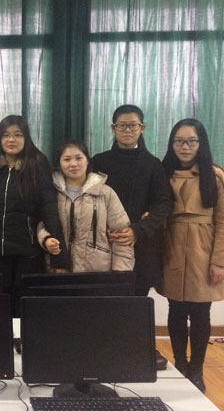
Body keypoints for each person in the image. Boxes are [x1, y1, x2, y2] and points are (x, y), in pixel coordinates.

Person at [92, 104, 173, 370]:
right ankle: (106, 350)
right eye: (122, 125)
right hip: (104, 242)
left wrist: (138, 230)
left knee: (137, 298)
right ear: (113, 128)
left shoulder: (153, 165)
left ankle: (140, 348)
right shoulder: (99, 162)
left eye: (133, 125)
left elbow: (163, 203)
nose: (127, 130)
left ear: (142, 128)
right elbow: (87, 196)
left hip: (142, 244)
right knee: (106, 299)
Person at [157, 118, 224, 393]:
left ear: (201, 143)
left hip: (202, 250)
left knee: (200, 312)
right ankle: (180, 364)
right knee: (176, 309)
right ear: (172, 144)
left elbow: (223, 221)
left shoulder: (214, 176)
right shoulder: (162, 174)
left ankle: (196, 369)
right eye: (179, 141)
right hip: (171, 246)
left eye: (191, 141)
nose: (185, 147)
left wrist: (219, 260)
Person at [0, 115, 69, 316]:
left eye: (17, 135)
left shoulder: (37, 164)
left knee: (25, 309)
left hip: (27, 254)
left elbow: (49, 209)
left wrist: (60, 257)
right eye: (6, 135)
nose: (11, 140)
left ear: (26, 138)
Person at [37, 139, 134, 273]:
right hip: (59, 270)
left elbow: (121, 236)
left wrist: (121, 273)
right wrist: (45, 239)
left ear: (87, 160)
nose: (73, 164)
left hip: (98, 272)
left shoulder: (105, 193)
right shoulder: (50, 192)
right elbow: (40, 223)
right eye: (67, 159)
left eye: (79, 158)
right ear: (59, 163)